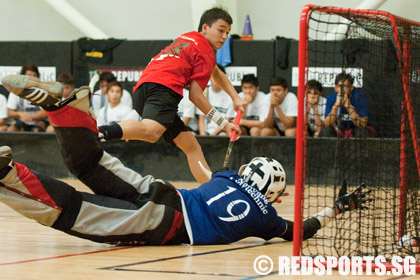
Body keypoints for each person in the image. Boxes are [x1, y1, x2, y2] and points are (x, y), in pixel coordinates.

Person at [0, 80, 371, 245]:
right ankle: (6, 175)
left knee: (91, 163)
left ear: (247, 172)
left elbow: (199, 163)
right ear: (274, 194)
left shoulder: (226, 177)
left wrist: (183, 134)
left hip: (162, 191)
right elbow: (301, 231)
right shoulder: (268, 218)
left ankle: (66, 111)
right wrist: (336, 208)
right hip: (165, 224)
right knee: (77, 211)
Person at [97, 7, 246, 184]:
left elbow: (216, 72)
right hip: (163, 89)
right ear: (205, 28)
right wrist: (224, 123)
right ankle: (99, 132)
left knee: (190, 145)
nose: (224, 37)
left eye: (227, 33)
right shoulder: (206, 51)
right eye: (220, 30)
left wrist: (235, 97)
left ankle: (212, 190)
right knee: (152, 132)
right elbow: (196, 97)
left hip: (142, 89)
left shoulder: (189, 38)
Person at [319, 72, 374, 138]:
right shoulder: (331, 98)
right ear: (335, 88)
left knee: (361, 133)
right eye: (340, 86)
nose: (343, 89)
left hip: (356, 129)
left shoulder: (359, 97)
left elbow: (362, 124)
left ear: (351, 87)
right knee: (326, 132)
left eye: (345, 86)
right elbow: (327, 124)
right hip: (339, 130)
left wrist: (349, 106)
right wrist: (335, 106)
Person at [6, 63, 50, 132]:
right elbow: (9, 112)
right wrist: (20, 114)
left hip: (39, 121)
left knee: (36, 130)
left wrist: (30, 118)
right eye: (29, 76)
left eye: (34, 76)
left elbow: (44, 113)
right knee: (11, 129)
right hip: (22, 120)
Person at [198, 65, 235, 136]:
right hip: (206, 132)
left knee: (222, 135)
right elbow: (201, 118)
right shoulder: (204, 93)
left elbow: (227, 120)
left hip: (221, 131)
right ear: (209, 77)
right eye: (213, 78)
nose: (215, 81)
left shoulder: (230, 96)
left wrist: (212, 135)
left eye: (218, 78)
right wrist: (203, 135)